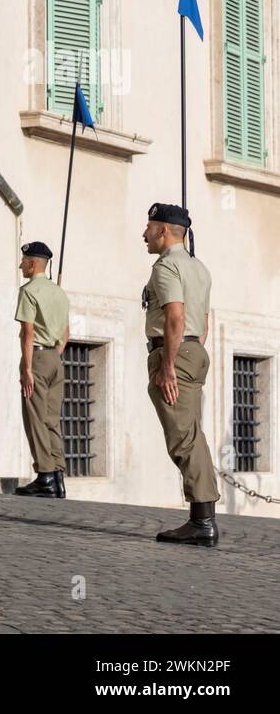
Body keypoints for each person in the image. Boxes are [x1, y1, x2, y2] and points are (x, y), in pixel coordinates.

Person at [142, 202, 218, 547]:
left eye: (148, 228)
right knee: (192, 433)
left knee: (184, 438)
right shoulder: (198, 267)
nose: (144, 234)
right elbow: (200, 323)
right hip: (194, 351)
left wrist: (169, 365)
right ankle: (201, 519)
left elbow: (175, 316)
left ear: (164, 231)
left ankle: (202, 522)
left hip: (174, 354)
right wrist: (189, 350)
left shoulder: (166, 267)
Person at [12, 241, 70, 498]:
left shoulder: (29, 291)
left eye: (24, 261)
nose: (21, 265)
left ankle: (45, 475)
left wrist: (27, 368)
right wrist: (54, 356)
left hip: (37, 357)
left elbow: (28, 331)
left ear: (33, 263)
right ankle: (58, 475)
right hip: (56, 359)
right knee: (51, 420)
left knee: (35, 418)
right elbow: (66, 333)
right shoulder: (59, 293)